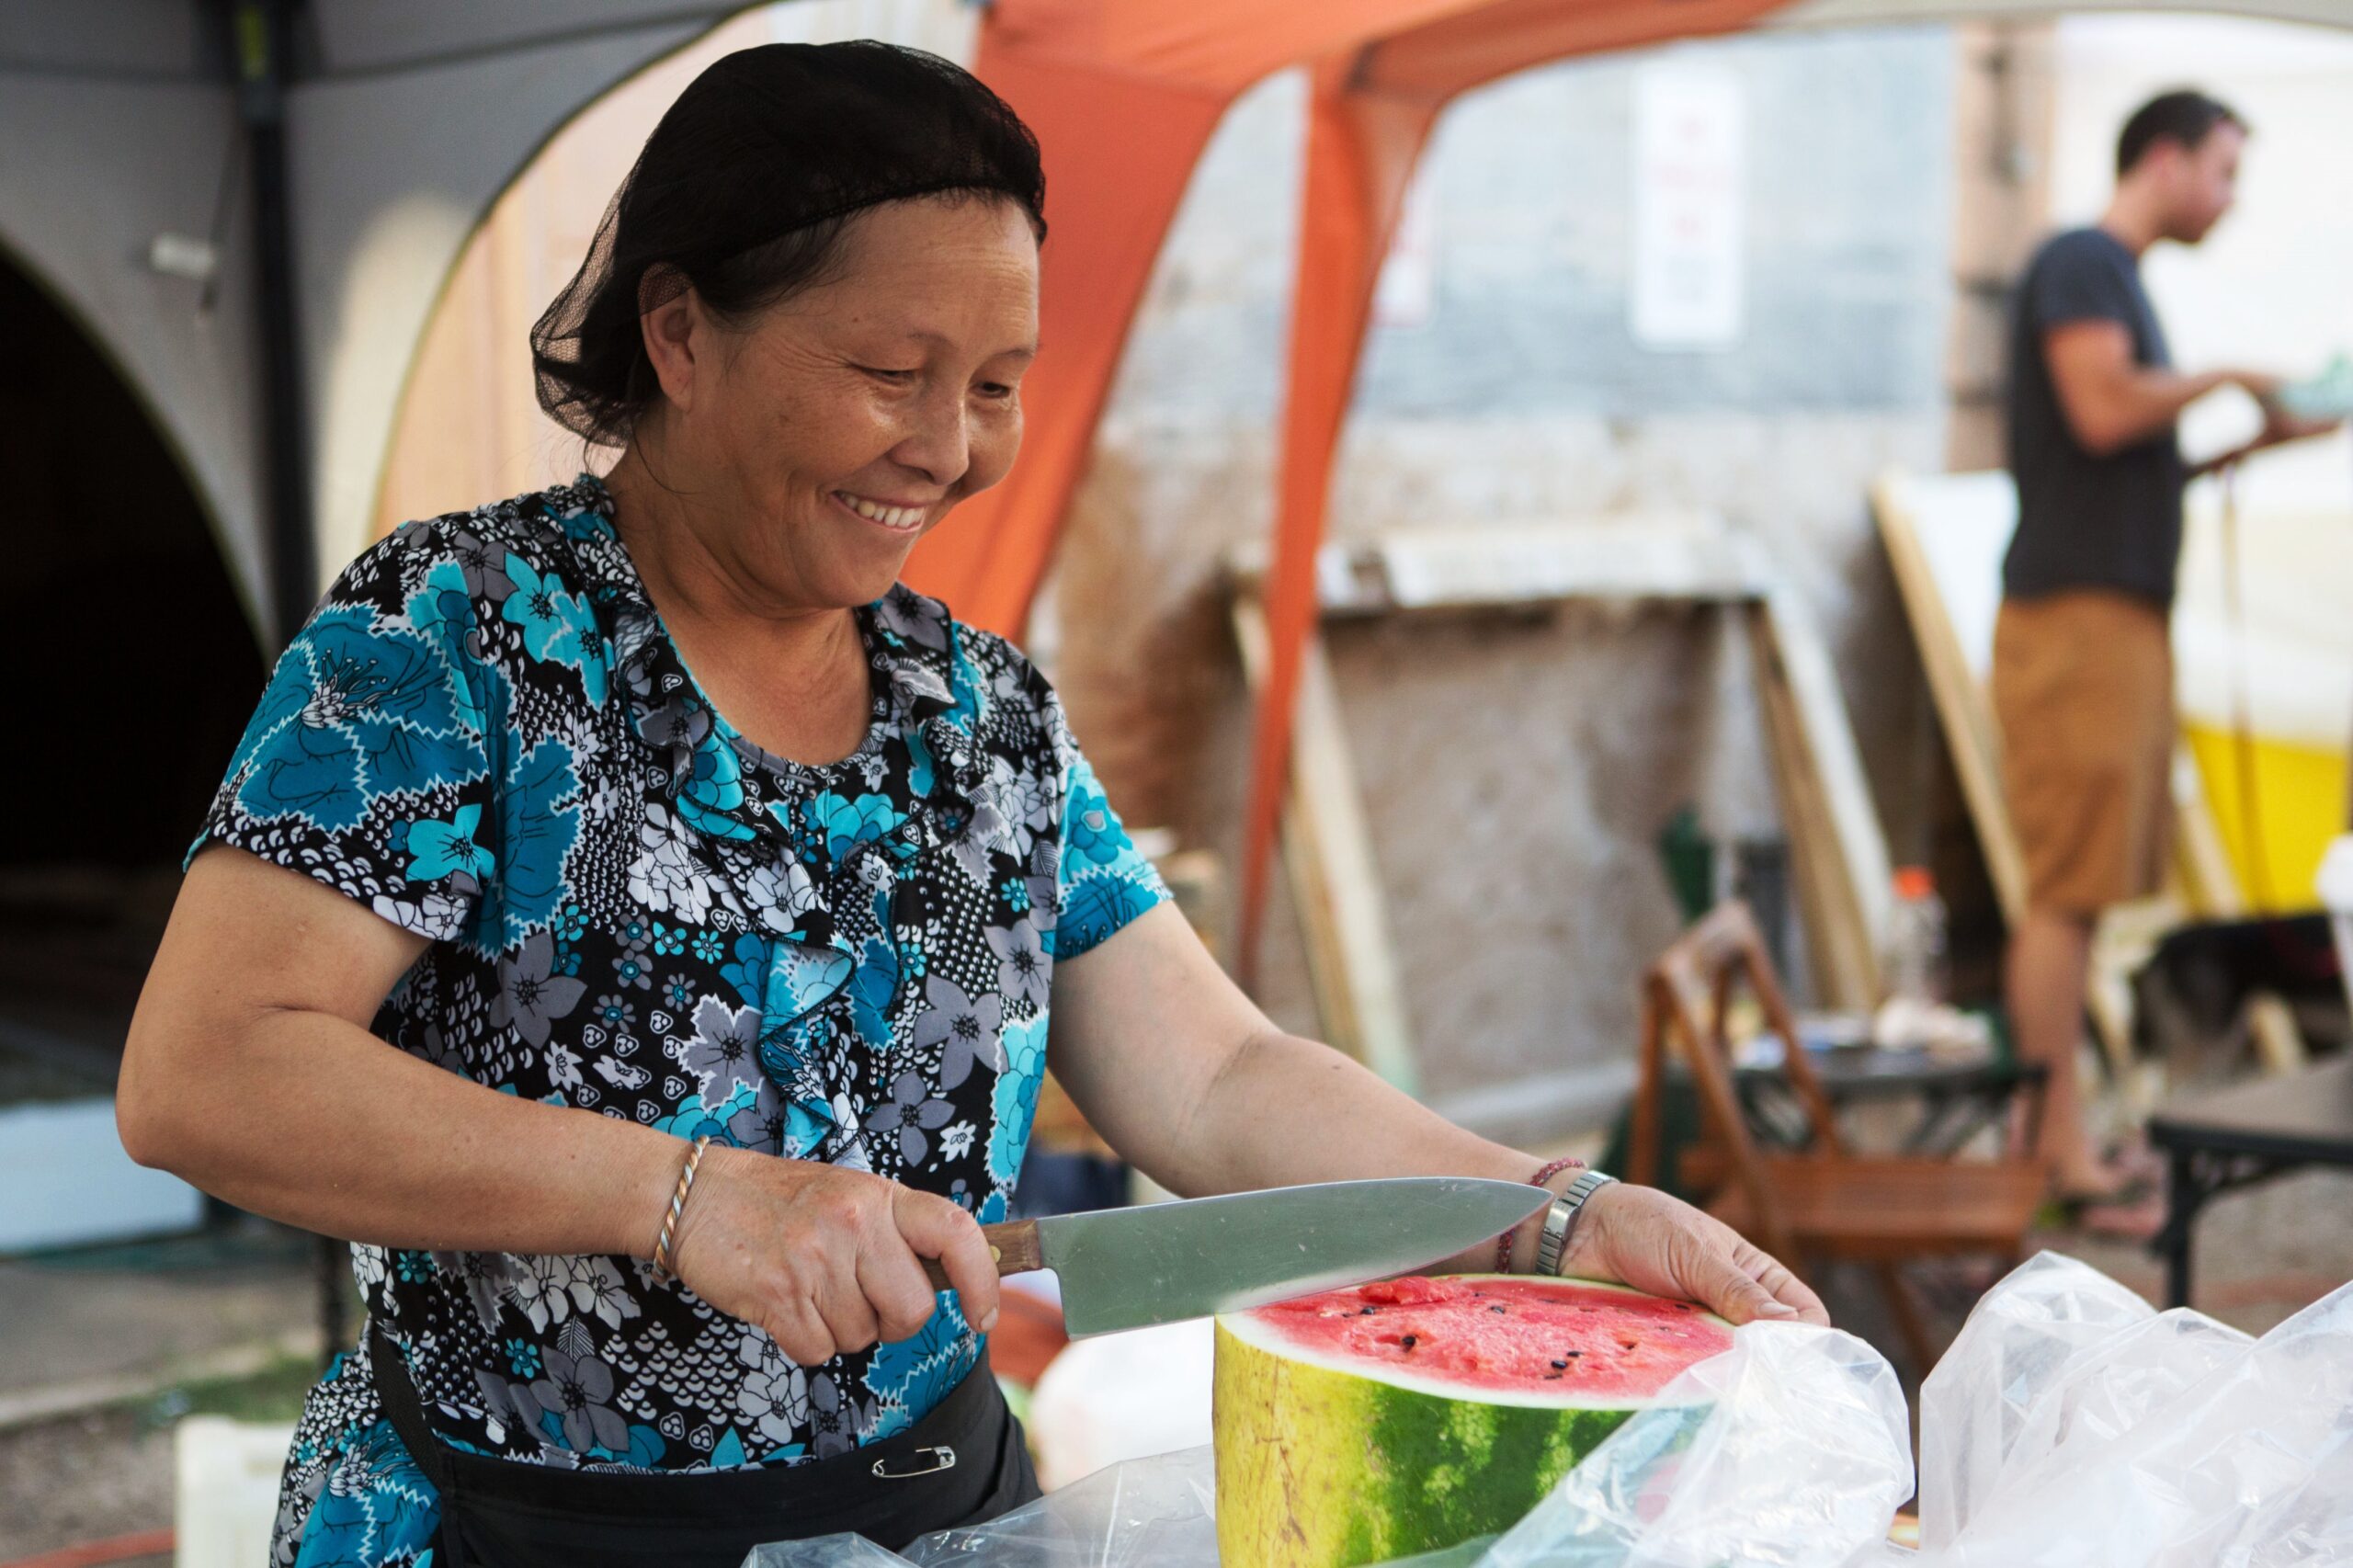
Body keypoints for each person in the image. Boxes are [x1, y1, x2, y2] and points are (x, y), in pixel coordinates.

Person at [117, 42, 1824, 1568]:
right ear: (683, 330)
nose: (947, 445)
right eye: (891, 368)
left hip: (933, 1523)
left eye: (997, 382)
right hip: (517, 1527)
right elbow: (209, 1069)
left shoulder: (978, 706)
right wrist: (690, 1194)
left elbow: (1216, 1074)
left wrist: (1556, 1212)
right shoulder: (456, 638)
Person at [1996, 88, 2339, 1210]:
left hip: (2114, 610)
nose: (2229, 198)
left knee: (2086, 893)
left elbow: (2110, 460)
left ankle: (2053, 1137)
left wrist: (2243, 440)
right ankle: (2052, 1154)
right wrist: (2231, 376)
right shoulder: (2082, 259)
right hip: (2075, 618)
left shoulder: (2113, 276)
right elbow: (2099, 413)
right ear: (2164, 156)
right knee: (2063, 895)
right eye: (2224, 170)